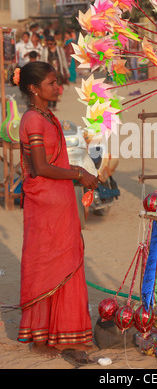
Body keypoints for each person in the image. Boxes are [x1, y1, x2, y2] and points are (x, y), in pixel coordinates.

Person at [16, 61, 98, 359]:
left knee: (66, 264)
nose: (57, 87)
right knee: (45, 266)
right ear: (33, 89)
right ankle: (41, 337)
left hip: (59, 202)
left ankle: (63, 334)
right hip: (45, 206)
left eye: (56, 82)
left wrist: (78, 171)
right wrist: (77, 174)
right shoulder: (33, 120)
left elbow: (55, 163)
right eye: (51, 83)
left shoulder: (46, 115)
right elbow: (40, 167)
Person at [41, 36, 69, 109]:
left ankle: (54, 105)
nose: (49, 46)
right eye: (48, 44)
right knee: (49, 89)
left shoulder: (59, 50)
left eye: (51, 44)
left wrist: (67, 71)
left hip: (58, 73)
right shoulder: (45, 51)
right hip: (48, 74)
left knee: (56, 89)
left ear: (54, 43)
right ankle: (49, 104)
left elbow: (63, 60)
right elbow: (42, 61)